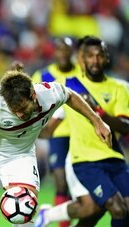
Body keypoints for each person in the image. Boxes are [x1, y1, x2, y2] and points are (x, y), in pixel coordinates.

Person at [0, 63, 112, 227]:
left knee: (24, 211)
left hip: (19, 157)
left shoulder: (50, 93)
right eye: (14, 110)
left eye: (22, 108)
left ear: (34, 96)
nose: (19, 114)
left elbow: (71, 96)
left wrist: (97, 121)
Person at [34, 36, 129, 227]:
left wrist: (98, 111)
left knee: (94, 209)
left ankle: (49, 214)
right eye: (89, 56)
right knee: (116, 208)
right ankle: (51, 216)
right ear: (81, 59)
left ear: (106, 57)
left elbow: (125, 126)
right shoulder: (71, 89)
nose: (95, 60)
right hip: (84, 160)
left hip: (114, 157)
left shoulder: (120, 87)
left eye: (99, 55)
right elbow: (50, 127)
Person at [32, 37, 80, 227]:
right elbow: (32, 102)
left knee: (76, 186)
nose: (64, 54)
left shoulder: (82, 73)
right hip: (57, 135)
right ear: (55, 52)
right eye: (60, 50)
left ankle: (52, 214)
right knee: (61, 181)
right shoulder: (43, 75)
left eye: (67, 50)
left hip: (81, 135)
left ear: (72, 52)